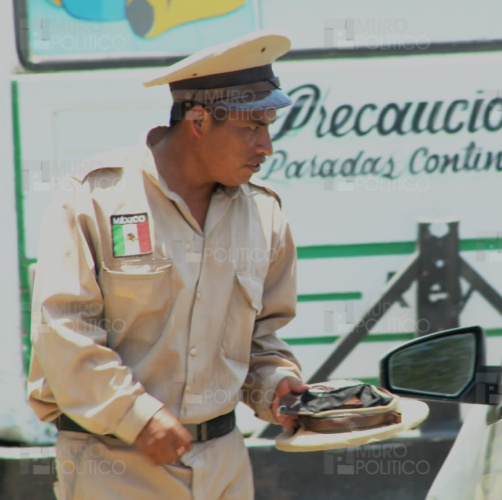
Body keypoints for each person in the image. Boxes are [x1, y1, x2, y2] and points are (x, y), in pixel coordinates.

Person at [26, 29, 308, 499]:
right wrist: (137, 416)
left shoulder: (264, 213)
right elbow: (63, 331)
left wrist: (276, 386)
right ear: (198, 121)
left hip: (224, 465)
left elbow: (262, 341)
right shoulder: (96, 196)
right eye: (251, 128)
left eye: (269, 126)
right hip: (116, 465)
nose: (266, 146)